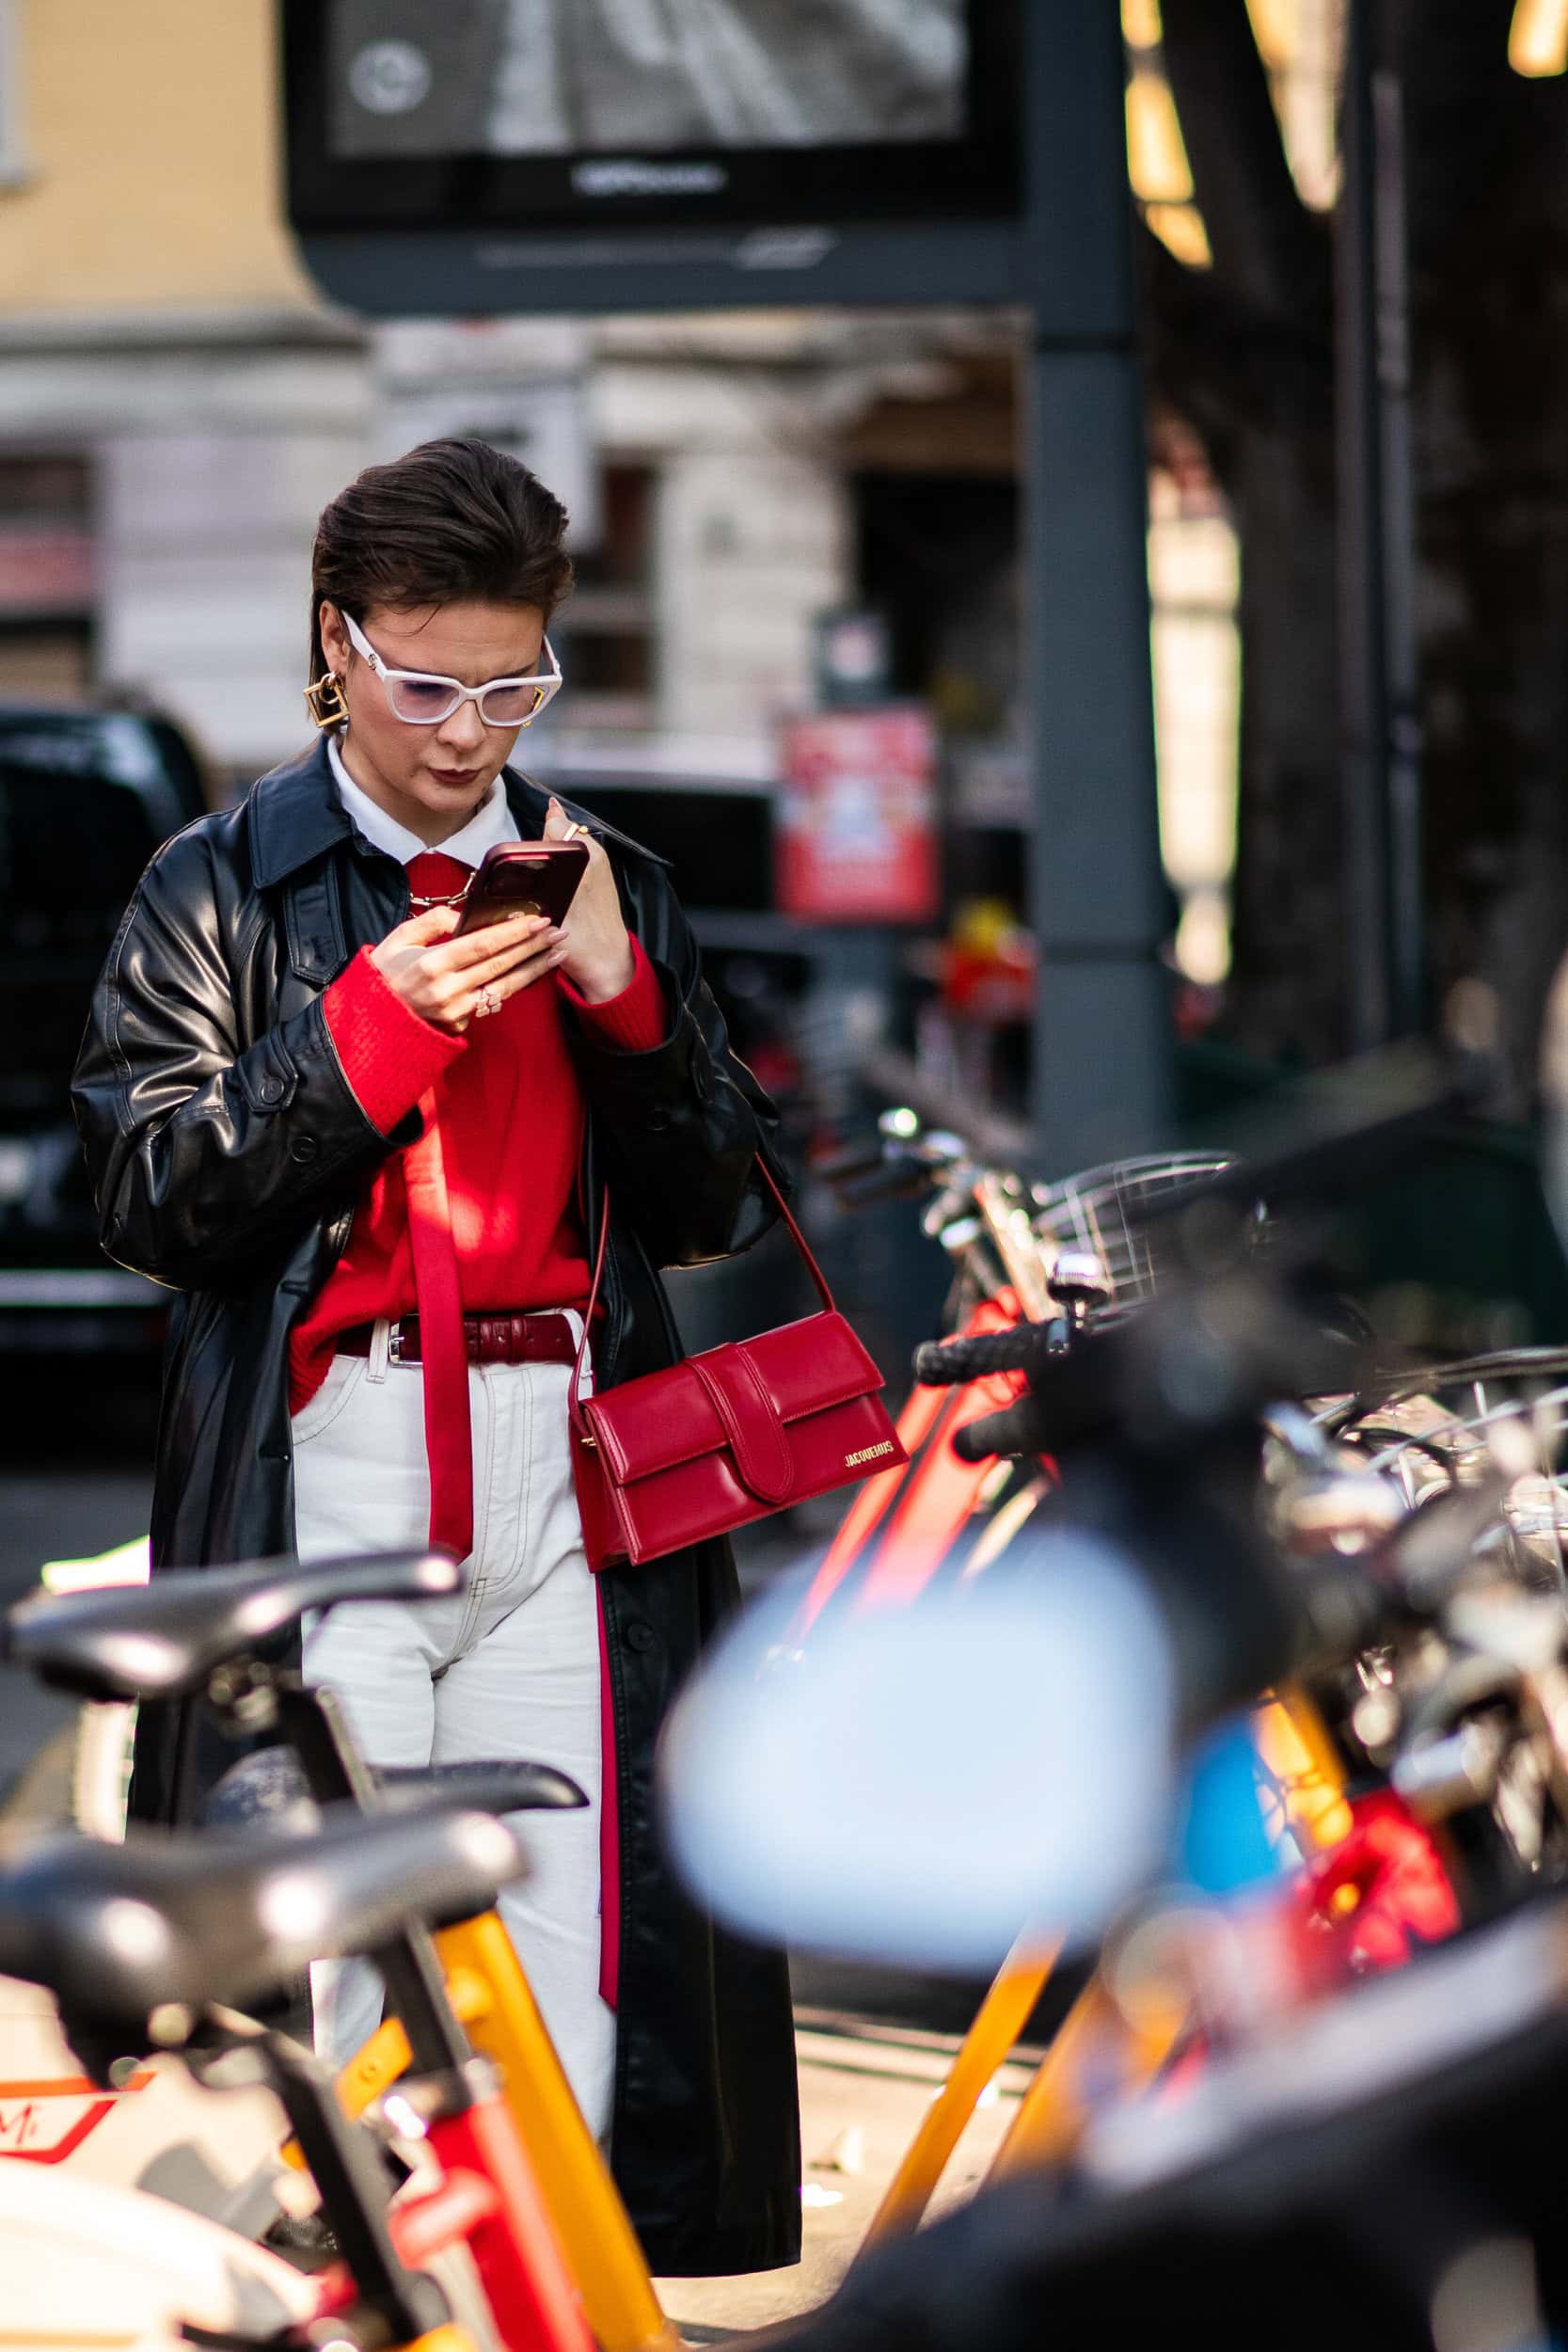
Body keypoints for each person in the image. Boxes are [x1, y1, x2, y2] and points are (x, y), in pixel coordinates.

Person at [71, 437, 802, 2278]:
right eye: (427, 679)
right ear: (337, 644)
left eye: (514, 680)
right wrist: (360, 1039)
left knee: (565, 1993)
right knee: (336, 2006)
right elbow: (148, 1195)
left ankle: (535, 2304)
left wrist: (630, 1001)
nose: (469, 728)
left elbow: (717, 1204)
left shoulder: (599, 872)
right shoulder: (217, 882)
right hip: (329, 1473)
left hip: (566, 1477)